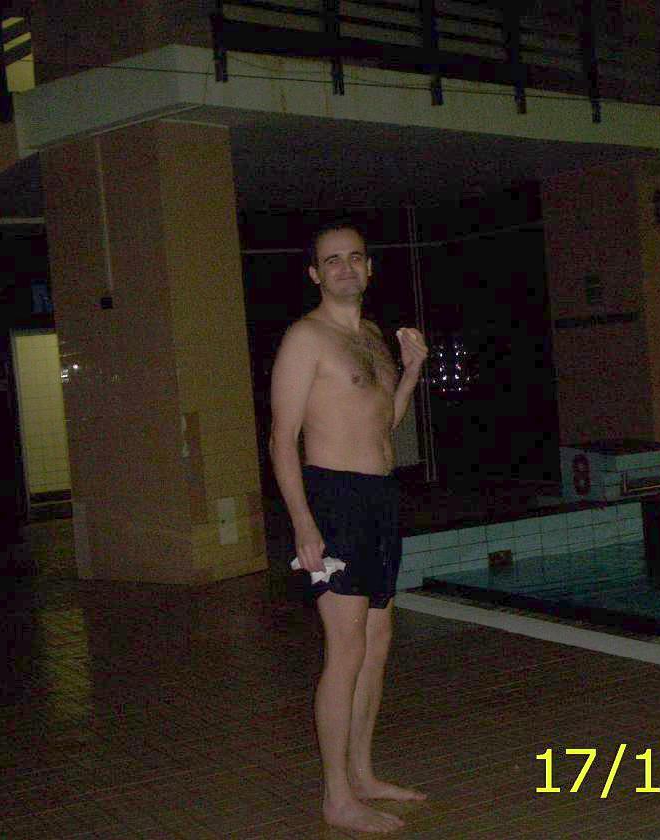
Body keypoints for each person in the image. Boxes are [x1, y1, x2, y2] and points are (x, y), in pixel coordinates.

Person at [269, 221, 429, 833]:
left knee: (377, 643)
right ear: (315, 273)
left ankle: (362, 775)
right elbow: (282, 438)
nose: (344, 268)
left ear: (369, 268)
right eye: (331, 260)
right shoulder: (305, 338)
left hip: (379, 497)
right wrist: (303, 522)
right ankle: (336, 797)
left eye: (354, 258)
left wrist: (411, 370)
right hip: (333, 499)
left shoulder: (371, 339)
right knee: (346, 649)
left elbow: (384, 424)